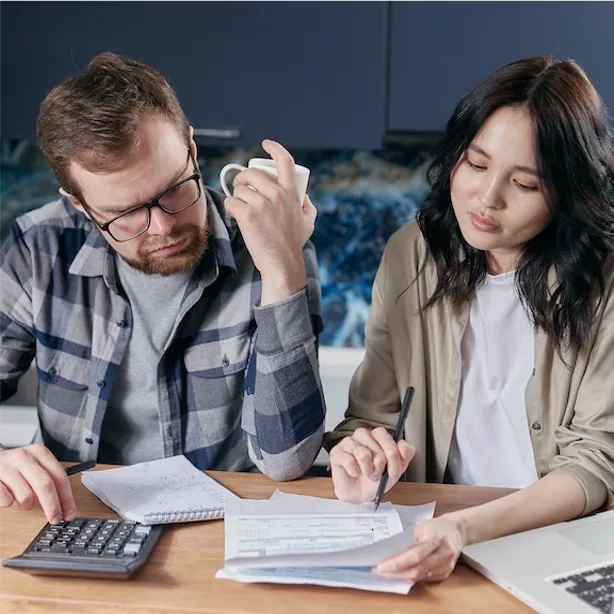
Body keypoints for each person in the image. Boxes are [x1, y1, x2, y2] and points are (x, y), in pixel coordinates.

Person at [0, 52, 325, 524]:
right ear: (80, 205)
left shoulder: (273, 242)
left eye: (174, 188)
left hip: (218, 527)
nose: (164, 226)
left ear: (191, 149)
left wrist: (281, 271)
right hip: (76, 518)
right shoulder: (38, 247)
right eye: (127, 212)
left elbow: (287, 460)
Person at [326, 56, 614, 584]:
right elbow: (372, 416)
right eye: (476, 164)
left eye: (524, 184)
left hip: (562, 547)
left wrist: (467, 528)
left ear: (568, 193)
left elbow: (599, 461)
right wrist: (361, 463)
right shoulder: (411, 254)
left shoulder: (606, 281)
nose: (487, 198)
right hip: (437, 540)